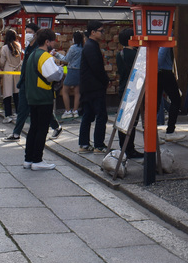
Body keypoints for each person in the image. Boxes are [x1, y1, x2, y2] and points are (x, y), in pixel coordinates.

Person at [22, 29, 60, 170]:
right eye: (53, 41)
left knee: (33, 128)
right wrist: (60, 70)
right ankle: (37, 160)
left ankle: (29, 159)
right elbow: (54, 75)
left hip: (32, 95)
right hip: (43, 95)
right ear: (47, 42)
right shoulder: (45, 56)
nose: (53, 43)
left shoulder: (33, 54)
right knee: (42, 129)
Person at [78, 21, 110, 152]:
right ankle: (98, 144)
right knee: (101, 115)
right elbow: (96, 68)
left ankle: (84, 144)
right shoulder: (91, 46)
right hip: (94, 87)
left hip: (88, 87)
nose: (103, 33)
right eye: (101, 31)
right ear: (93, 32)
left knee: (88, 114)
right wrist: (105, 80)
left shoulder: (89, 45)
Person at [115, 28, 142, 159]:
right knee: (133, 121)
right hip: (134, 90)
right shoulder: (136, 55)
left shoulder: (119, 54)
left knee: (124, 120)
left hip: (123, 88)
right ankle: (130, 149)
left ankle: (124, 147)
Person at [157, 46, 181, 134]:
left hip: (156, 70)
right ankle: (170, 130)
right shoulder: (167, 32)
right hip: (164, 71)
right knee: (176, 99)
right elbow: (162, 53)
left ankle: (150, 131)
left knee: (156, 101)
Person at [0, 29, 22, 122]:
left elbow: (2, 61)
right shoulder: (18, 45)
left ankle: (8, 114)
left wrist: (1, 66)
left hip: (8, 70)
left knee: (7, 93)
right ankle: (17, 112)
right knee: (17, 93)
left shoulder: (4, 48)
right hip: (17, 70)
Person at [60, 31, 83, 118]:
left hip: (72, 70)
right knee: (77, 92)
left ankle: (68, 110)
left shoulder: (73, 48)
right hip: (80, 71)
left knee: (65, 90)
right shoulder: (83, 47)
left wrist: (57, 55)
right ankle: (75, 111)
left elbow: (66, 59)